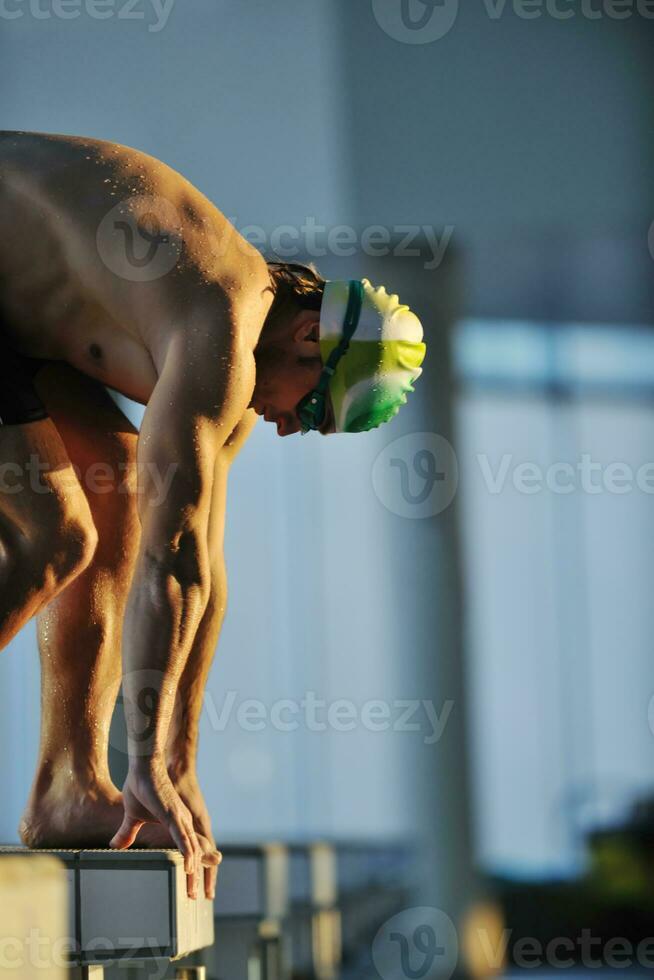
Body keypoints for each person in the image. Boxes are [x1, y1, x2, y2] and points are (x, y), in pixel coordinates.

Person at [0, 131, 426, 899]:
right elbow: (173, 565)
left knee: (121, 490)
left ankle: (67, 786)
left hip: (13, 314)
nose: (292, 429)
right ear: (308, 336)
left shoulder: (236, 354)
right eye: (317, 408)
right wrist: (148, 763)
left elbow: (201, 565)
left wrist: (177, 762)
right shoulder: (220, 329)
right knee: (50, 533)